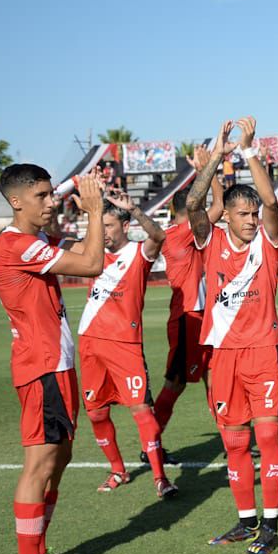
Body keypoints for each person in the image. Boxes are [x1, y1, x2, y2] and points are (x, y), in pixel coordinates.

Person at [0, 165, 106, 554]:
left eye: (50, 193)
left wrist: (94, 214)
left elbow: (84, 247)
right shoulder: (15, 245)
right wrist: (94, 211)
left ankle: (39, 553)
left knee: (59, 460)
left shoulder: (36, 240)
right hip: (39, 368)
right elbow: (91, 263)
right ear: (16, 201)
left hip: (56, 367)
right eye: (41, 196)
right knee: (39, 463)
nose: (50, 201)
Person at [188, 118, 278, 554]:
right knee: (234, 442)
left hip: (264, 351)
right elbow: (194, 202)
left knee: (267, 439)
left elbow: (270, 199)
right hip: (223, 355)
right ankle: (246, 521)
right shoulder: (209, 240)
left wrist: (247, 151)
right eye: (243, 214)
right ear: (225, 214)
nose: (251, 220)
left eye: (253, 215)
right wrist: (214, 158)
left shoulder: (268, 242)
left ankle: (270, 524)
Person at [77, 192, 175, 498]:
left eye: (108, 225)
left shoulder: (138, 253)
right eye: (99, 225)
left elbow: (158, 236)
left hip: (125, 345)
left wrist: (133, 207)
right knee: (95, 413)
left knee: (142, 412)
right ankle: (118, 469)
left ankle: (160, 478)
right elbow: (54, 238)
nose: (103, 232)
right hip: (91, 342)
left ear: (124, 224)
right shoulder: (89, 252)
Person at [151, 144, 225, 457]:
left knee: (214, 379)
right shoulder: (183, 232)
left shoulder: (173, 233)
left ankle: (230, 441)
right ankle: (150, 443)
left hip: (195, 316)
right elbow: (220, 204)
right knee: (175, 384)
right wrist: (205, 170)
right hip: (188, 318)